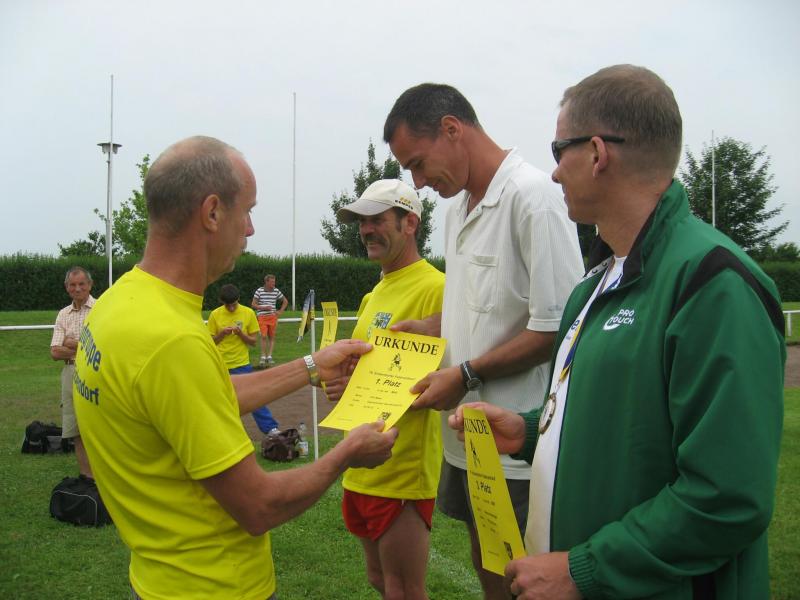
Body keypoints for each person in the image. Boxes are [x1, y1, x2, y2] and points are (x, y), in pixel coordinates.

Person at [449, 65, 786, 599]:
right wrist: (529, 430)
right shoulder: (594, 285)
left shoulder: (712, 284)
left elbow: (726, 497)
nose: (554, 173)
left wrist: (584, 570)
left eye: (558, 150)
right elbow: (621, 420)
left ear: (597, 153)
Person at [73, 136, 398, 600]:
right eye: (247, 211)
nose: (249, 229)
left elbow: (201, 397)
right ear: (211, 212)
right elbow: (258, 505)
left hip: (156, 580)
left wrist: (311, 365)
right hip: (216, 585)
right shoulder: (172, 341)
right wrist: (346, 454)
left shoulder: (119, 302)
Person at [383, 83, 584, 598]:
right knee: (487, 560)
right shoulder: (457, 210)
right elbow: (482, 306)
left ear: (452, 129)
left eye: (418, 164)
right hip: (465, 435)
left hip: (518, 439)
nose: (418, 182)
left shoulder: (533, 197)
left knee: (526, 574)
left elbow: (559, 327)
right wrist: (430, 328)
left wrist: (467, 374)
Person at [328, 179, 445, 599]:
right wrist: (347, 383)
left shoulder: (436, 288)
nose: (366, 230)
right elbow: (370, 369)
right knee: (379, 580)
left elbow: (444, 380)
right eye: (362, 222)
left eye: (377, 219)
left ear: (409, 223)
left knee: (404, 588)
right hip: (360, 464)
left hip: (402, 468)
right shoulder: (375, 292)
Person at [208, 283, 280, 434]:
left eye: (234, 305)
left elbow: (253, 342)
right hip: (220, 365)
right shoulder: (215, 314)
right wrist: (222, 334)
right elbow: (211, 342)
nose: (231, 308)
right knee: (218, 402)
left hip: (241, 365)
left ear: (238, 299)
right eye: (228, 305)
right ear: (222, 302)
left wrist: (240, 334)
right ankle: (221, 433)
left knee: (254, 397)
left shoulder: (248, 313)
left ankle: (271, 429)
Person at [50, 266, 96, 478]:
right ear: (67, 287)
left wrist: (71, 343)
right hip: (69, 373)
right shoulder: (63, 314)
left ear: (90, 285)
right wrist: (84, 347)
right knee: (76, 428)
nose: (77, 289)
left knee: (97, 426)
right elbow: (55, 352)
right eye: (72, 285)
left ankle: (104, 476)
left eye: (81, 284)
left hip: (94, 372)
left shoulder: (101, 309)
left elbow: (104, 346)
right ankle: (87, 477)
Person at [252, 274, 288, 367]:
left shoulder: (276, 291)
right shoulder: (259, 291)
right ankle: (263, 356)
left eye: (274, 282)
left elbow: (285, 301)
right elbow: (253, 304)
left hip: (272, 317)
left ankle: (269, 356)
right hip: (262, 317)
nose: (274, 284)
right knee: (263, 336)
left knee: (272, 337)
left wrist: (280, 312)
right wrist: (264, 308)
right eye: (272, 282)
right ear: (266, 282)